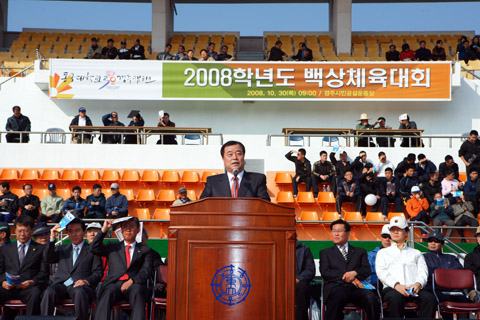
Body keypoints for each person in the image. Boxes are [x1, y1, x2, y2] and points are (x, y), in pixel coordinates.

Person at [90, 218, 153, 320]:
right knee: (108, 292)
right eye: (125, 227)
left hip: (133, 284)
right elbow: (93, 248)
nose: (128, 230)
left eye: (132, 227)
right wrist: (104, 230)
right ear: (121, 230)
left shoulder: (145, 250)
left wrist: (132, 280)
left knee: (138, 291)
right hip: (114, 284)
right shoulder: (112, 247)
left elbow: (146, 270)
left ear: (138, 230)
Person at [41, 218, 103, 320]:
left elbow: (98, 272)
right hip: (61, 285)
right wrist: (52, 239)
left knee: (79, 292)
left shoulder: (92, 250)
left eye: (77, 230)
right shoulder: (62, 249)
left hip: (81, 286)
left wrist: (86, 281)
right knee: (48, 292)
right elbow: (48, 258)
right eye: (70, 231)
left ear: (84, 232)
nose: (73, 234)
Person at [376, 216, 436, 318]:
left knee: (429, 299)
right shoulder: (383, 253)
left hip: (413, 289)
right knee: (395, 298)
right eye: (393, 230)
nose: (395, 232)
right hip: (392, 289)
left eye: (399, 230)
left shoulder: (416, 253)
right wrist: (396, 285)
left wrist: (418, 284)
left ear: (407, 233)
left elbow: (423, 271)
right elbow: (382, 273)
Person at [319, 220, 380, 320]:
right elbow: (326, 273)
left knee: (370, 298)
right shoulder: (325, 252)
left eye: (339, 231)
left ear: (348, 233)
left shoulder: (360, 251)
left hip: (356, 288)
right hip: (337, 287)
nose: (336, 234)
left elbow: (366, 270)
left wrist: (355, 273)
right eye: (334, 231)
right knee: (336, 298)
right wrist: (348, 277)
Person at [0, 215, 48, 318]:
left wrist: (32, 282)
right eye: (19, 231)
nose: (22, 234)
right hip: (8, 288)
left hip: (28, 288)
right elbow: (0, 271)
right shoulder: (5, 249)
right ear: (15, 230)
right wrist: (3, 281)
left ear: (31, 231)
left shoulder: (40, 249)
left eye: (26, 231)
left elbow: (44, 273)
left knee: (35, 293)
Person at [200, 141, 270, 201]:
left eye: (239, 153)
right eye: (230, 154)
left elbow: (265, 205)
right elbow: (202, 205)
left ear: (243, 156)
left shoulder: (257, 179)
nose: (235, 157)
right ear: (223, 159)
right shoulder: (213, 181)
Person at [423, 231, 468, 320]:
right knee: (442, 299)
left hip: (453, 291)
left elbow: (459, 274)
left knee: (464, 300)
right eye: (430, 241)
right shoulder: (423, 258)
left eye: (436, 241)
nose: (433, 243)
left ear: (442, 244)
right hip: (434, 291)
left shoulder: (451, 258)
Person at [295, 240, 315, 320]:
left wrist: (298, 278)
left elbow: (310, 270)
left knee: (301, 287)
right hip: (279, 282)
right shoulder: (275, 247)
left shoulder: (304, 249)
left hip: (299, 282)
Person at [464, 226, 480, 300]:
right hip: (477, 289)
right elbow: (470, 276)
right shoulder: (470, 257)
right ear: (477, 238)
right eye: (479, 236)